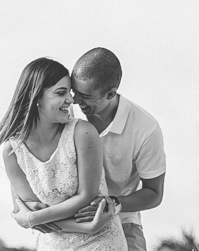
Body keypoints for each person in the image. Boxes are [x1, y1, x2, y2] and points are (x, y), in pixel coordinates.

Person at [0, 58, 126, 251]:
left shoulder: (83, 133)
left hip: (101, 242)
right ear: (36, 97)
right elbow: (33, 215)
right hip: (54, 244)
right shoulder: (13, 151)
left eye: (70, 92)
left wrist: (31, 219)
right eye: (60, 93)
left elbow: (85, 196)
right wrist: (89, 226)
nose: (71, 100)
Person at [69, 48, 165, 251]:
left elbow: (154, 193)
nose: (76, 101)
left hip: (123, 221)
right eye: (74, 92)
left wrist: (113, 203)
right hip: (70, 220)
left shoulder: (146, 129)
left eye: (85, 96)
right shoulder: (65, 111)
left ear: (110, 94)